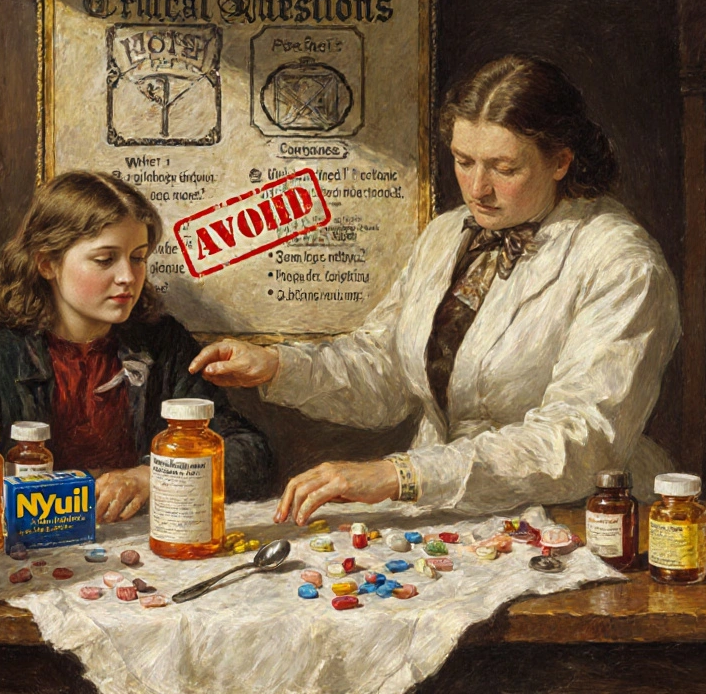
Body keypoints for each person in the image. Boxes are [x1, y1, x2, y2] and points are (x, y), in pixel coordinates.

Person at [190, 54, 680, 525]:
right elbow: (385, 372)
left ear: (561, 162)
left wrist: (402, 474)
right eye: (464, 161)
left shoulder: (620, 261)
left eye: (504, 169)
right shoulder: (448, 235)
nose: (477, 189)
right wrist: (278, 366)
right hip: (448, 512)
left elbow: (581, 442)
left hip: (586, 515)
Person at [0, 171, 274, 522]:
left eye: (138, 257)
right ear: (47, 263)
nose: (128, 276)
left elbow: (248, 452)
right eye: (105, 259)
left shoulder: (162, 341)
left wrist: (154, 476)